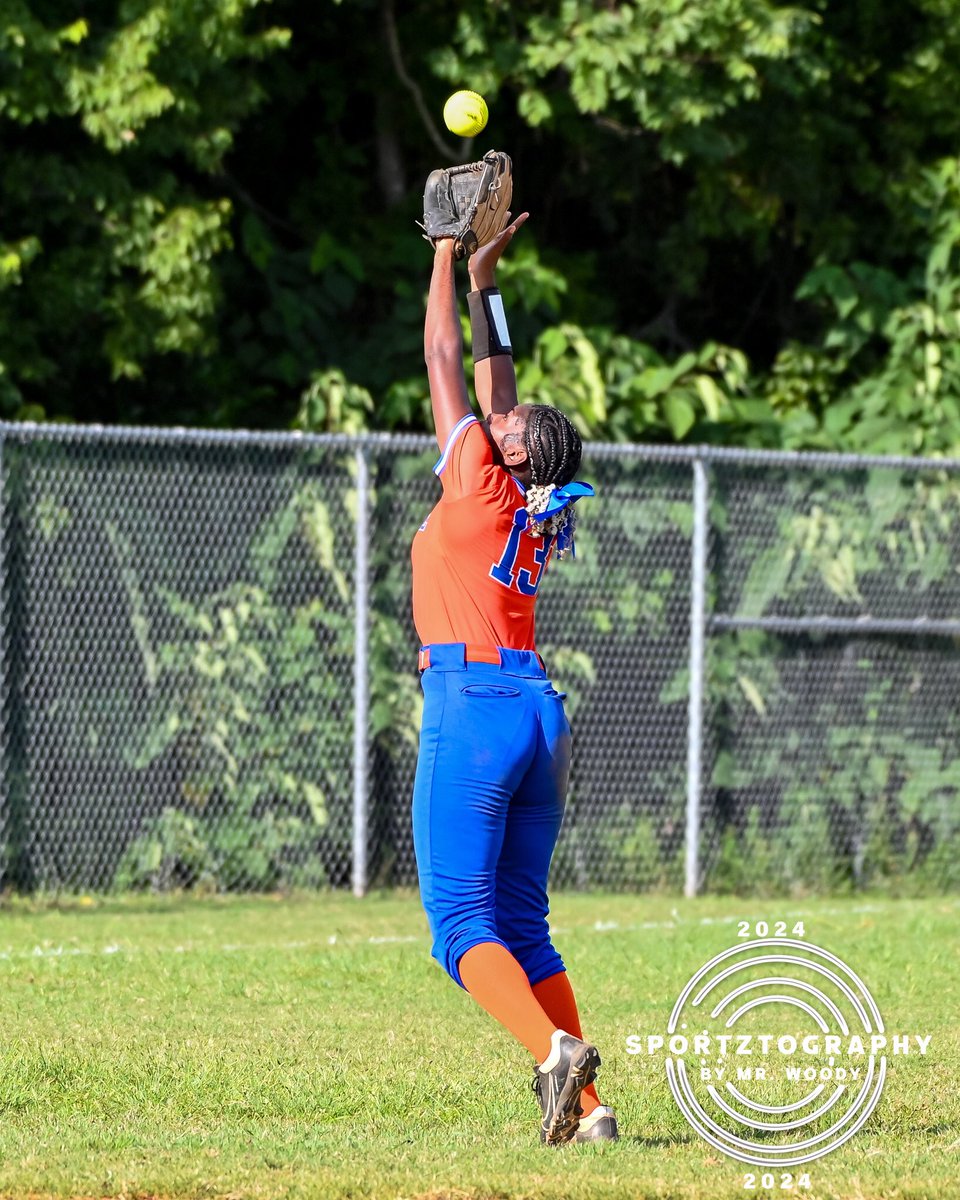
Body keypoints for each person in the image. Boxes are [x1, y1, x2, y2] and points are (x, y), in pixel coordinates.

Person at [410, 211, 617, 1146]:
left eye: (509, 426)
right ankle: (593, 1110)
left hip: (476, 704)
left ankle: (554, 1059)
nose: (497, 417)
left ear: (515, 455)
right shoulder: (529, 500)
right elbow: (498, 383)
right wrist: (490, 283)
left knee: (460, 922)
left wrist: (446, 252)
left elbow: (442, 358)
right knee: (524, 927)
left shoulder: (478, 483)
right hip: (538, 711)